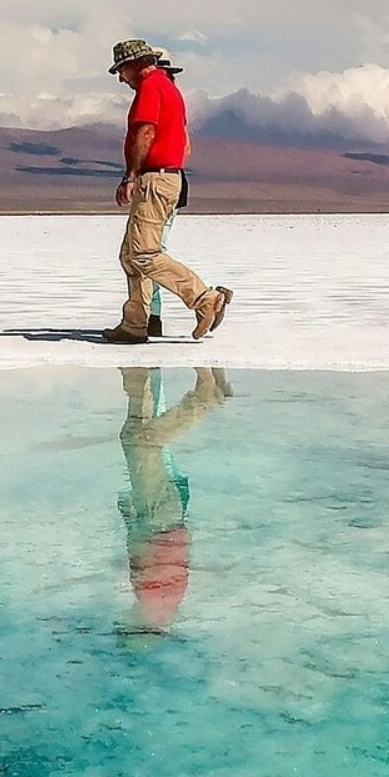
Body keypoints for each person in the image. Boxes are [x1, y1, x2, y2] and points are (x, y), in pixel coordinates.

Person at [101, 38, 233, 345]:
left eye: (122, 71)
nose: (122, 78)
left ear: (134, 65)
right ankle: (135, 324)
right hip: (166, 178)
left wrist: (131, 175)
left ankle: (204, 298)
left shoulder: (151, 88)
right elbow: (184, 141)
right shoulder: (169, 88)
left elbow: (145, 131)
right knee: (130, 255)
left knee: (145, 254)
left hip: (154, 180)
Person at [117, 365, 231, 635]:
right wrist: (133, 520)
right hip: (158, 521)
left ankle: (138, 376)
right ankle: (206, 398)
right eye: (125, 628)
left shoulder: (161, 605)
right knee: (141, 442)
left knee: (134, 433)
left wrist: (130, 518)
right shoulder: (153, 605)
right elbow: (148, 556)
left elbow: (155, 559)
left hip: (164, 519)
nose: (123, 620)